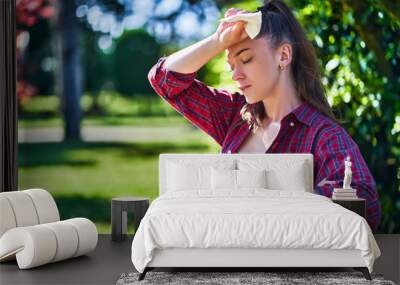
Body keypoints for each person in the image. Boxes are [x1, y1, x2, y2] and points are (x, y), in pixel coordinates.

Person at [147, 0, 381, 231]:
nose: (236, 75)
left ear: (283, 56)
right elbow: (164, 80)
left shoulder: (323, 135)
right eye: (231, 65)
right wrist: (218, 41)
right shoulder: (235, 116)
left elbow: (365, 207)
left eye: (246, 59)